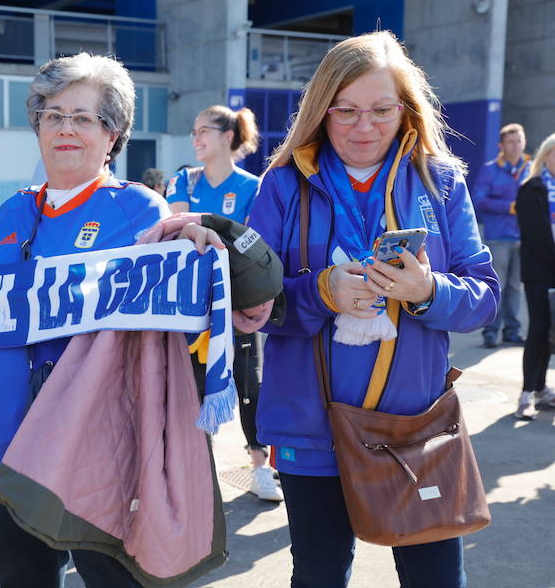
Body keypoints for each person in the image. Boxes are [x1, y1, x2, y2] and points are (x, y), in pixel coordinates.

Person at [247, 31, 498, 587]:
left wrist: (429, 291)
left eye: (382, 110)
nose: (365, 128)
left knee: (436, 577)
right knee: (318, 575)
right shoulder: (283, 184)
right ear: (321, 110)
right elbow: (251, 304)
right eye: (347, 112)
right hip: (309, 429)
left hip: (416, 426)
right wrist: (323, 292)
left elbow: (485, 299)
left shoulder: (441, 182)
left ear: (406, 110)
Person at [0, 53, 225, 588]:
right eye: (53, 114)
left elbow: (179, 319)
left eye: (83, 117)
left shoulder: (139, 211)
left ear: (113, 134)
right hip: (0, 443)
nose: (65, 128)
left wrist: (198, 252)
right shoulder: (13, 211)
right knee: (20, 576)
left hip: (93, 454)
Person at [165, 104, 280, 501]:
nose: (195, 138)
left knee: (249, 381)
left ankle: (260, 466)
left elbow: (250, 248)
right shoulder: (183, 180)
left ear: (228, 137)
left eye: (204, 131)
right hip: (189, 306)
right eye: (193, 131)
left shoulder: (253, 186)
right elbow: (181, 228)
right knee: (190, 387)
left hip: (237, 302)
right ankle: (198, 471)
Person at [472, 123, 531, 348]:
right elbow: (479, 200)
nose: (515, 146)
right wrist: (509, 207)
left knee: (516, 288)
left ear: (524, 143)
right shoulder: (490, 169)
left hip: (524, 238)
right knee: (498, 285)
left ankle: (512, 331)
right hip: (498, 238)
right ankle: (490, 331)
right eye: (511, 141)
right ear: (501, 145)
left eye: (519, 141)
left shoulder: (531, 168)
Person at [513, 132, 555, 419]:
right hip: (540, 271)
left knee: (552, 335)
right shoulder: (533, 188)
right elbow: (537, 236)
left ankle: (541, 388)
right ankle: (526, 394)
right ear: (546, 156)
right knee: (538, 330)